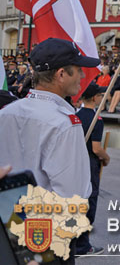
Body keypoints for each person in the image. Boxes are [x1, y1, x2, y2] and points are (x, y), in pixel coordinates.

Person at [0, 38, 98, 199]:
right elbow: (73, 196)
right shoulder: (64, 124)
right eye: (78, 69)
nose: (82, 75)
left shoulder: (6, 112)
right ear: (61, 74)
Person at [75, 83, 110, 257]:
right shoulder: (97, 119)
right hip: (89, 161)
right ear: (96, 98)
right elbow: (96, 148)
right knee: (89, 202)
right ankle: (82, 245)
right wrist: (106, 157)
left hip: (76, 160)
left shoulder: (76, 115)